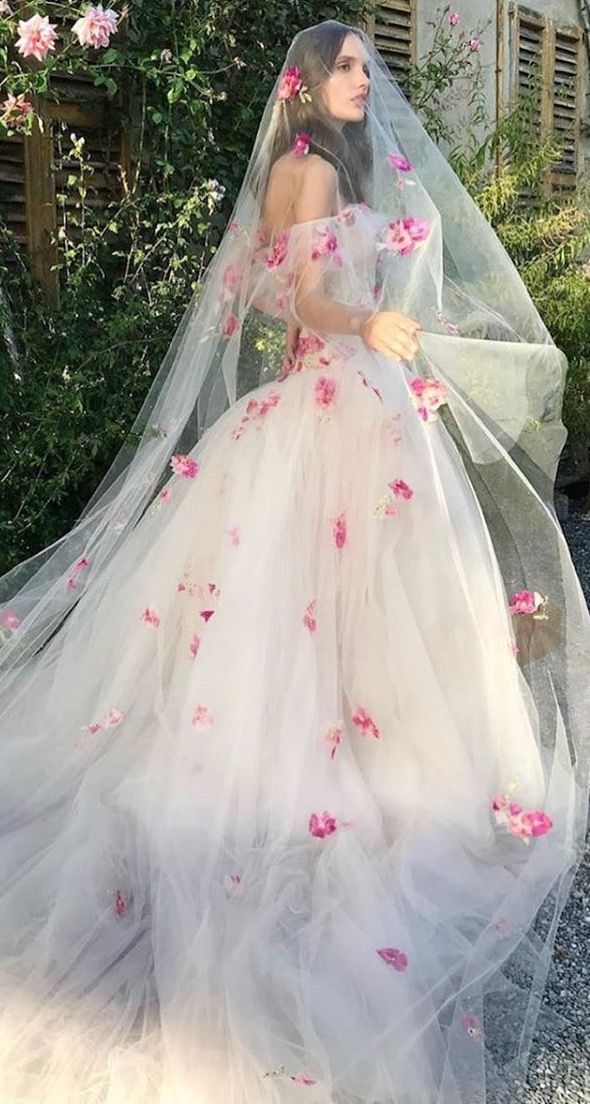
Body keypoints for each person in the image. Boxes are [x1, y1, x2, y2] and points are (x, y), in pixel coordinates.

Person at [0, 17, 588, 1104]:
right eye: (347, 66)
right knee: (317, 594)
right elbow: (298, 297)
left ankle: (374, 738)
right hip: (334, 402)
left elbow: (303, 287)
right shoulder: (305, 167)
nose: (364, 78)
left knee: (369, 594)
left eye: (369, 63)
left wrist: (406, 317)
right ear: (307, 86)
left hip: (352, 404)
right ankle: (328, 762)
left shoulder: (326, 168)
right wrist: (368, 325)